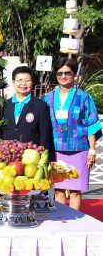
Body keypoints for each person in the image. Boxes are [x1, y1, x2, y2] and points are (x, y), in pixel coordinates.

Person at [43, 57, 101, 210]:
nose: (63, 76)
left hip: (79, 149)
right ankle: (61, 219)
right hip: (55, 150)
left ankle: (75, 219)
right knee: (59, 189)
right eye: (59, 73)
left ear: (74, 74)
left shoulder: (84, 97)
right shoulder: (48, 98)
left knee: (75, 191)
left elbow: (91, 124)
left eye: (67, 73)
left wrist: (92, 150)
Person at [1, 66, 54, 156]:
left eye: (27, 80)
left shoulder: (40, 106)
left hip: (31, 155)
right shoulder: (5, 105)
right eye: (20, 80)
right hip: (8, 155)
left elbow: (45, 134)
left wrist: (44, 155)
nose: (23, 84)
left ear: (32, 82)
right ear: (13, 82)